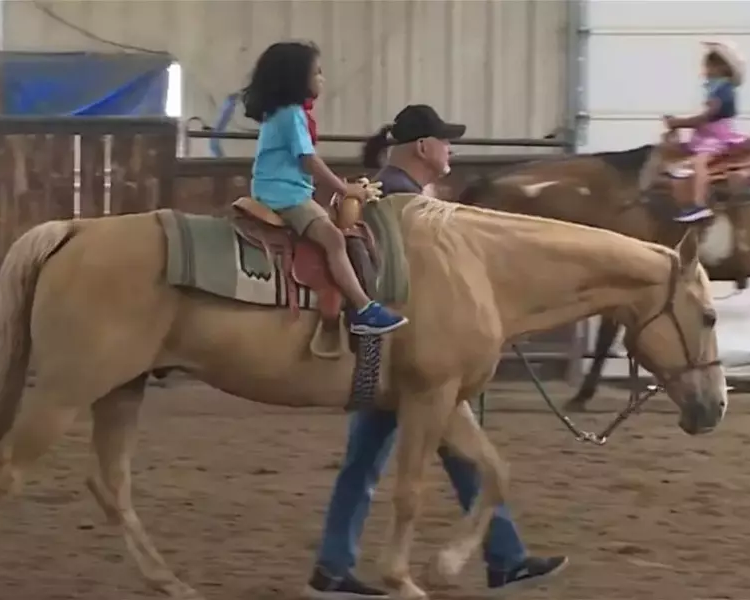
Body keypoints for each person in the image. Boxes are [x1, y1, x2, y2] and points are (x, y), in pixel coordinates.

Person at [303, 104, 569, 600]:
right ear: (424, 148)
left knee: (411, 457)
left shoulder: (404, 197)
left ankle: (500, 558)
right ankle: (497, 560)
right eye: (446, 141)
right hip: (404, 354)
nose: (452, 149)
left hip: (397, 353)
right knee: (388, 458)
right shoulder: (401, 203)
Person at [243, 41, 408, 336]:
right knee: (333, 239)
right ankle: (363, 309)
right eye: (317, 72)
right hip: (285, 194)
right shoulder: (292, 114)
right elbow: (308, 161)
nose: (322, 78)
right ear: (296, 78)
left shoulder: (280, 113)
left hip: (281, 188)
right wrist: (345, 189)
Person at [664, 40, 749, 223]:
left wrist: (680, 123)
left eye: (708, 65)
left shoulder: (723, 89)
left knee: (700, 162)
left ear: (720, 67)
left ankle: (699, 204)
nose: (704, 70)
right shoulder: (716, 87)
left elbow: (709, 116)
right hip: (706, 134)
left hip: (716, 135)